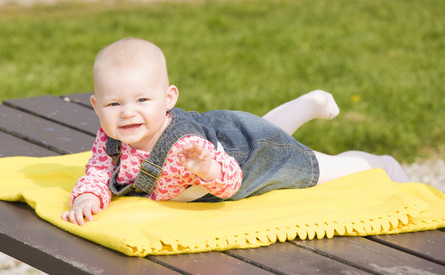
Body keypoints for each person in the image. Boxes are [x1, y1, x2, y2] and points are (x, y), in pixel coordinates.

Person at [62, 37, 409, 226]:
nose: (127, 113)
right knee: (266, 131)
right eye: (113, 104)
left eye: (141, 99)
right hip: (236, 134)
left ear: (168, 99)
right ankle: (309, 104)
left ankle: (381, 164)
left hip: (248, 161)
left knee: (313, 167)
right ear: (96, 106)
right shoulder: (109, 138)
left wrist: (208, 170)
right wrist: (88, 198)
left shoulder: (186, 145)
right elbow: (98, 171)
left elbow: (232, 182)